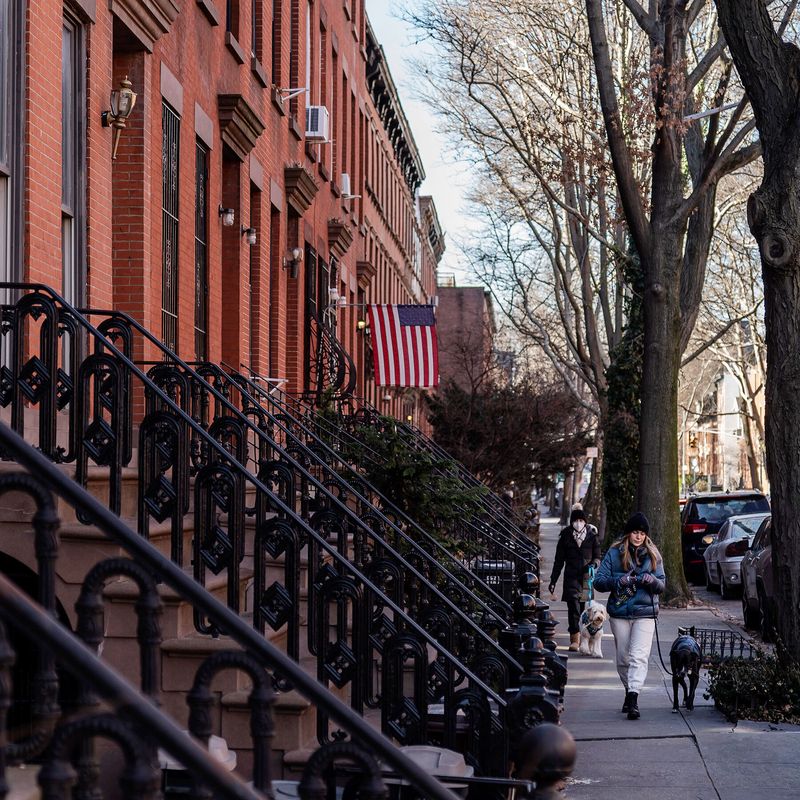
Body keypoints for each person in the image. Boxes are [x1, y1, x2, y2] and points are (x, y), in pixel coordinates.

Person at [593, 511, 666, 720]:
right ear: (628, 534)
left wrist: (651, 581)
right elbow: (599, 581)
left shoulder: (654, 555)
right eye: (635, 532)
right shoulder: (615, 553)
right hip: (620, 611)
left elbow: (662, 585)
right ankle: (629, 689)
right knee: (623, 659)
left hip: (645, 612)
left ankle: (633, 697)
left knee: (639, 657)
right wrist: (619, 581)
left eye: (642, 533)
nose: (639, 537)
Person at [548, 506, 601, 652]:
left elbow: (598, 556)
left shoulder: (592, 536)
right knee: (573, 608)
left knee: (586, 609)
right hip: (571, 577)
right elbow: (558, 561)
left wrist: (594, 564)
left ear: (584, 521)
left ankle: (587, 638)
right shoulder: (565, 536)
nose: (578, 523)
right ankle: (575, 638)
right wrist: (553, 580)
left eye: (580, 520)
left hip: (587, 578)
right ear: (571, 522)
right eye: (575, 520)